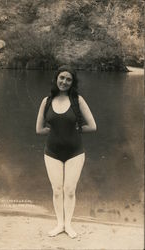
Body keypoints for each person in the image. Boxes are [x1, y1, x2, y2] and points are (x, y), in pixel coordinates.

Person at [36, 65, 97, 238]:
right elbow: (39, 129)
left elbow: (92, 126)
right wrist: (55, 131)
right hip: (52, 153)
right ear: (56, 78)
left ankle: (68, 225)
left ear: (73, 83)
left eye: (69, 79)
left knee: (69, 189)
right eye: (62, 78)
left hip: (75, 152)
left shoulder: (78, 100)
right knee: (57, 189)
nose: (64, 82)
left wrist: (74, 130)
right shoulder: (46, 101)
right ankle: (59, 224)